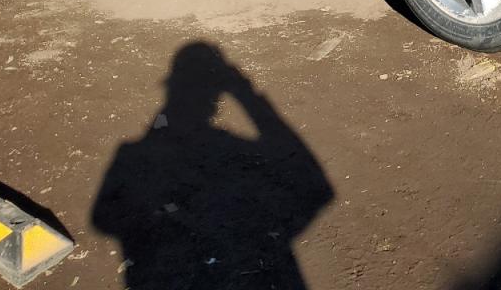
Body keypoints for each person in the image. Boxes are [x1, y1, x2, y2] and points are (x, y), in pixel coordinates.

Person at [92, 42, 332, 289]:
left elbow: (102, 218)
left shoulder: (132, 154)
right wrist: (247, 96)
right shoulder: (139, 153)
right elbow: (316, 187)